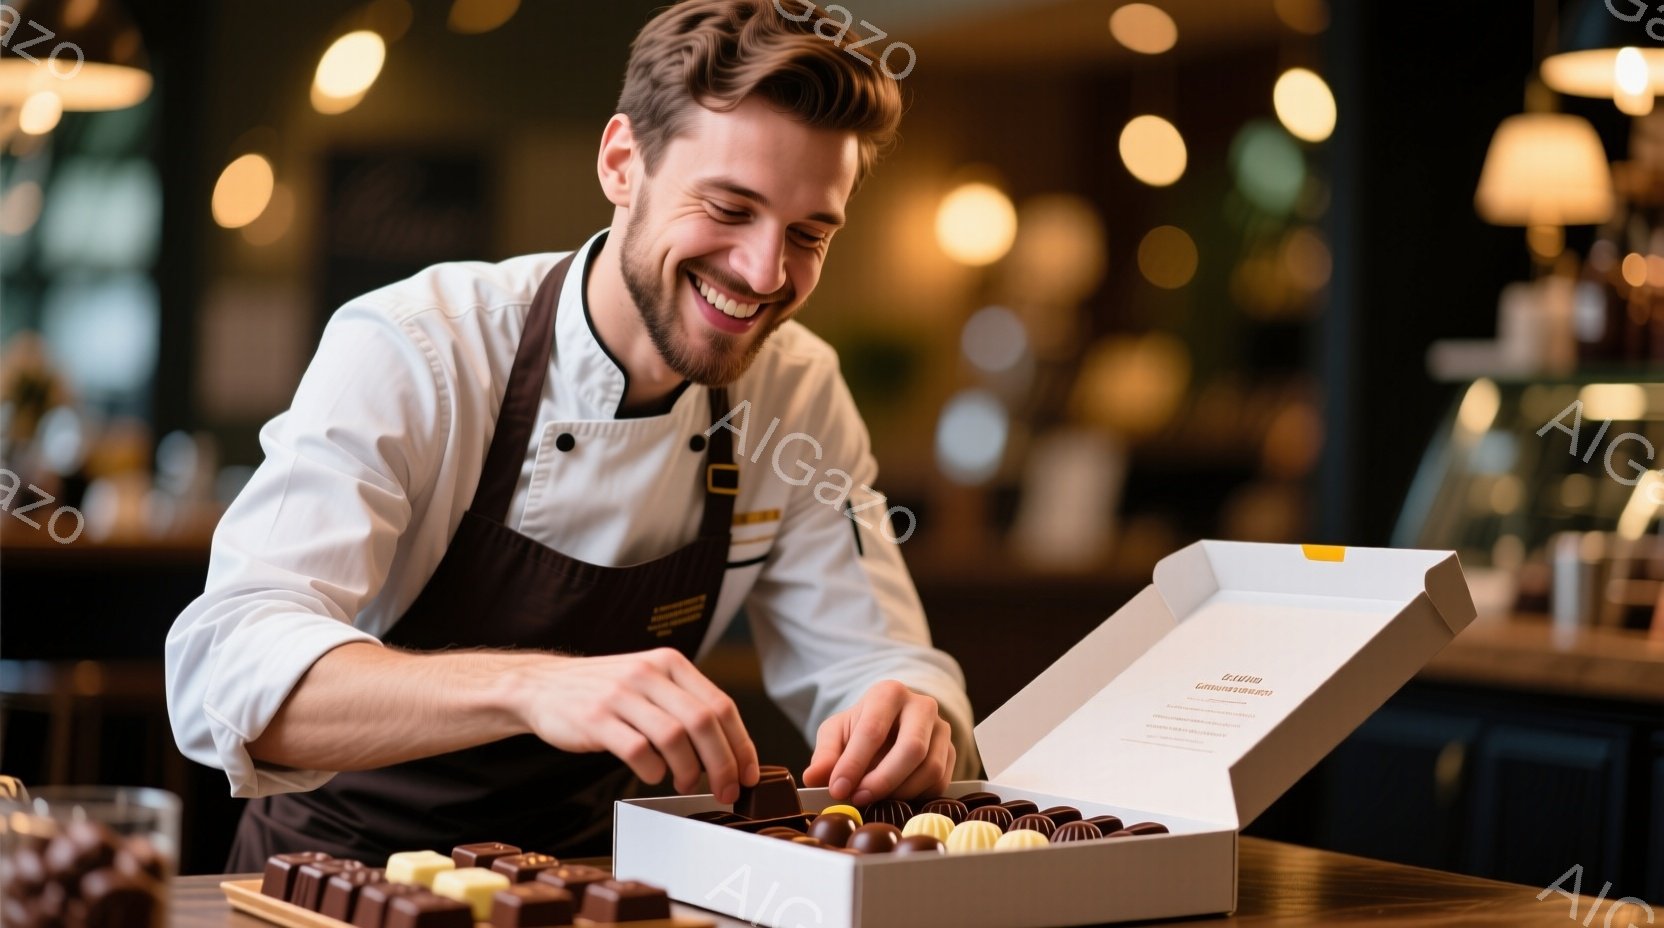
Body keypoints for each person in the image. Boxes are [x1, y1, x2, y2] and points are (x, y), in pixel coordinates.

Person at [165, 0, 975, 869]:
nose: (764, 273)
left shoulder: (798, 392)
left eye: (809, 233)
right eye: (729, 209)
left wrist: (912, 709)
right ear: (623, 162)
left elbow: (876, 656)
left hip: (594, 884)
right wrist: (532, 684)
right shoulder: (418, 347)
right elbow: (225, 668)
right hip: (337, 880)